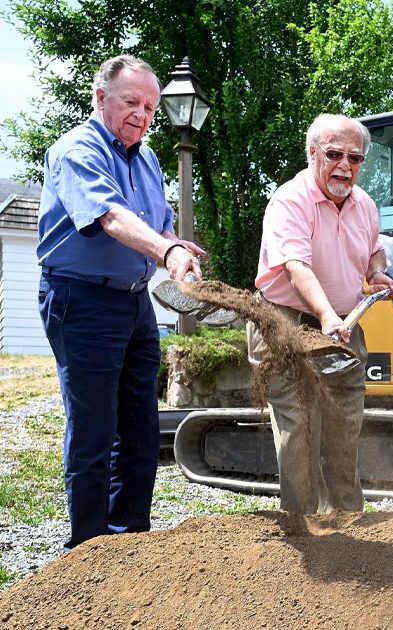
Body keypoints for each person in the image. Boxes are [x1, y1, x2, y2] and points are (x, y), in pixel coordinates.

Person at [37, 55, 204, 551]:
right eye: (132, 102)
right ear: (100, 98)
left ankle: (128, 543)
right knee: (93, 428)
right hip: (80, 299)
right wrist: (167, 249)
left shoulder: (147, 159)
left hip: (135, 304)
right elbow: (110, 217)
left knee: (139, 429)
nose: (143, 115)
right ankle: (86, 551)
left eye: (151, 107)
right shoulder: (76, 150)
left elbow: (157, 223)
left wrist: (176, 242)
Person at [250, 113, 393, 514]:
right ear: (312, 153)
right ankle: (304, 524)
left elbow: (373, 249)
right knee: (299, 426)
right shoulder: (290, 200)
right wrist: (327, 316)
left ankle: (346, 520)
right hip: (285, 322)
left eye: (355, 158)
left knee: (345, 420)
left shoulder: (364, 204)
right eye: (334, 154)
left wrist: (376, 272)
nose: (345, 166)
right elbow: (296, 267)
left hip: (344, 326)